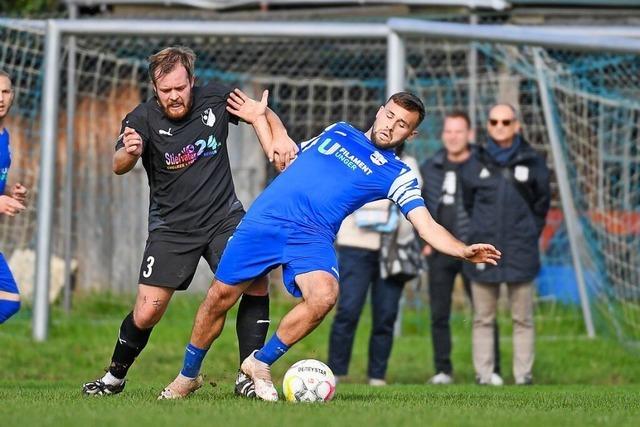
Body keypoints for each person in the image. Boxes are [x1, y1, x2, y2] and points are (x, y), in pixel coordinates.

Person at [161, 90, 501, 401]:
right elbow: (286, 154)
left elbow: (425, 223)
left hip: (313, 235)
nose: (391, 126)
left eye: (402, 125)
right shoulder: (338, 130)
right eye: (390, 116)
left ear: (410, 134)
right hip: (268, 220)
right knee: (218, 297)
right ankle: (187, 376)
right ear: (380, 111)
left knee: (325, 294)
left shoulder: (397, 174)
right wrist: (265, 118)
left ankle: (259, 362)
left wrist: (460, 249)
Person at [82, 46, 298, 397]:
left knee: (255, 281)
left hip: (222, 217)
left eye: (180, 88)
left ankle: (249, 375)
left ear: (191, 82)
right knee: (148, 310)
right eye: (165, 91)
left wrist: (280, 133)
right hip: (172, 228)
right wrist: (130, 151)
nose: (174, 96)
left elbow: (259, 111)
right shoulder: (141, 118)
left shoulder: (215, 97)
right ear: (155, 89)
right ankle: (114, 378)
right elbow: (118, 162)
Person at [461, 104, 550, 386]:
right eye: (494, 121)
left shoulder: (533, 161)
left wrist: (526, 234)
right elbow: (468, 203)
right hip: (484, 252)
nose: (500, 126)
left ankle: (523, 376)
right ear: (487, 125)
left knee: (522, 318)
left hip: (521, 251)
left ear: (516, 126)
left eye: (506, 121)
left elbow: (542, 204)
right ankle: (484, 376)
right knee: (483, 318)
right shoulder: (473, 162)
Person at [327, 144, 422, 387]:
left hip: (392, 249)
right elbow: (348, 194)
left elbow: (412, 203)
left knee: (386, 314)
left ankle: (377, 375)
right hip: (354, 245)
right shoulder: (355, 154)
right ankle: (336, 371)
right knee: (348, 310)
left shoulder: (408, 163)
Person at [420, 111, 502, 385]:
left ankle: (492, 371)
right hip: (442, 251)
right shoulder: (431, 167)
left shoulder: (483, 165)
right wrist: (427, 242)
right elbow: (423, 209)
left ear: (469, 135)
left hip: (475, 249)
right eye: (449, 131)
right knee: (439, 312)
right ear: (443, 135)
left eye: (459, 131)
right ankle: (443, 370)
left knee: (483, 311)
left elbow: (493, 206)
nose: (453, 137)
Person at [0, 70, 28, 325]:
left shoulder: (4, 137)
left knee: (9, 301)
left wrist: (8, 191)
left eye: (5, 91)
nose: (0, 98)